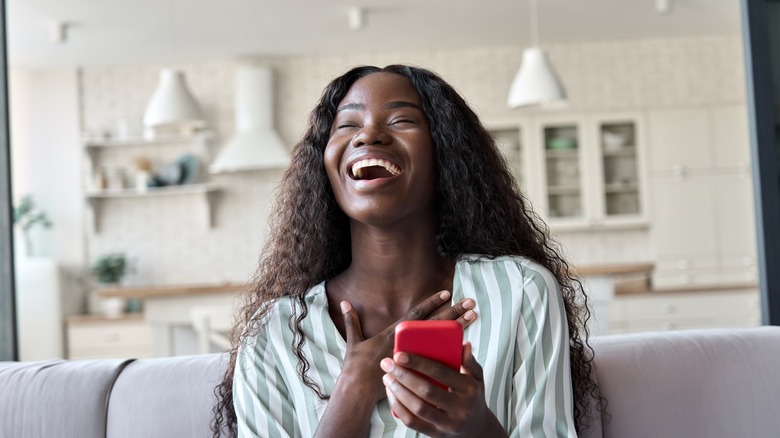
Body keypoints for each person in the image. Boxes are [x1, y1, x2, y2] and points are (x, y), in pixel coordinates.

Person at [212, 64, 601, 437]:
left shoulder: (521, 290)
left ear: (444, 154)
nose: (369, 135)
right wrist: (354, 387)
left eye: (401, 120)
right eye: (348, 125)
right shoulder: (273, 333)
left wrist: (478, 429)